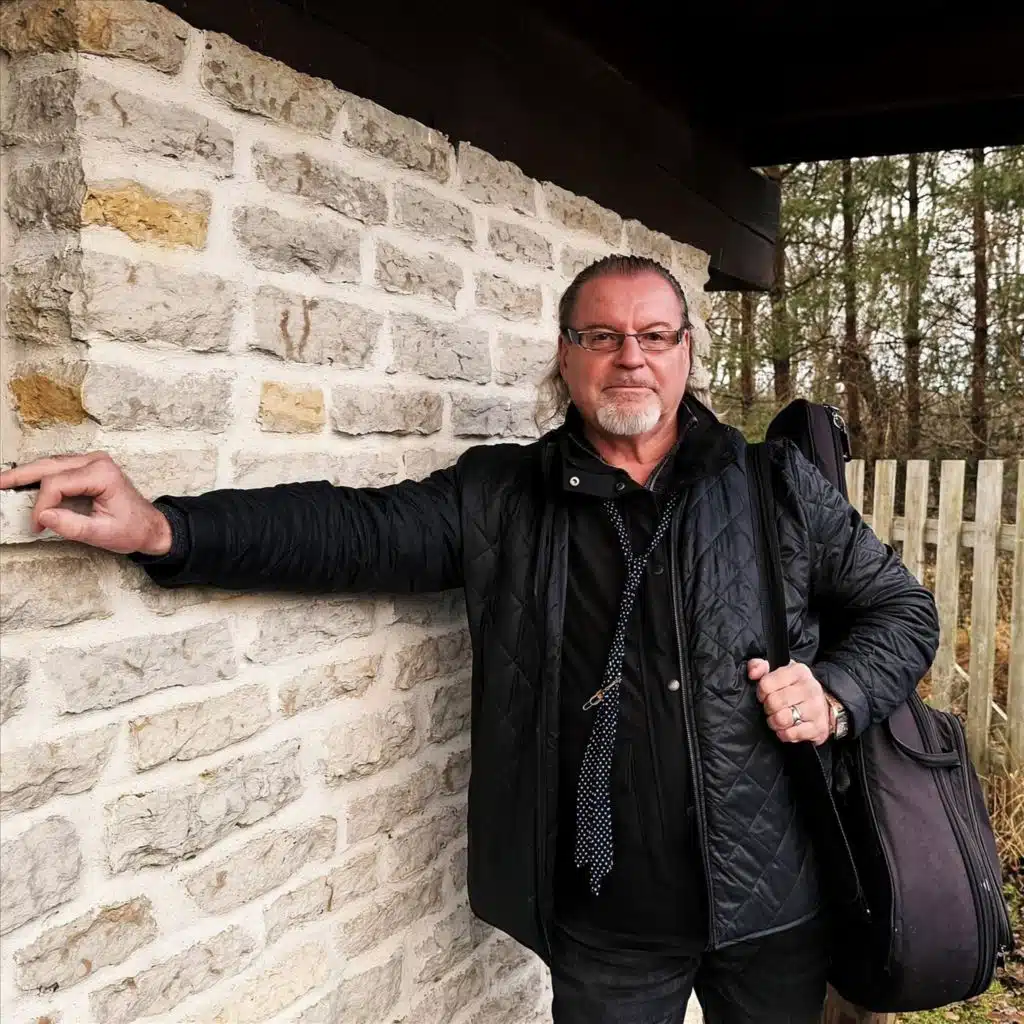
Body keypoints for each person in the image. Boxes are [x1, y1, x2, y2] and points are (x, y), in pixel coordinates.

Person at [0, 255, 939, 1024]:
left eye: (655, 335)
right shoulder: (502, 497)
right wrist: (165, 527)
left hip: (774, 901)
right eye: (602, 336)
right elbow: (353, 533)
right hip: (605, 921)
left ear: (687, 351)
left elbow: (903, 612)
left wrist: (836, 693)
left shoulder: (773, 485)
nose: (631, 357)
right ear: (565, 355)